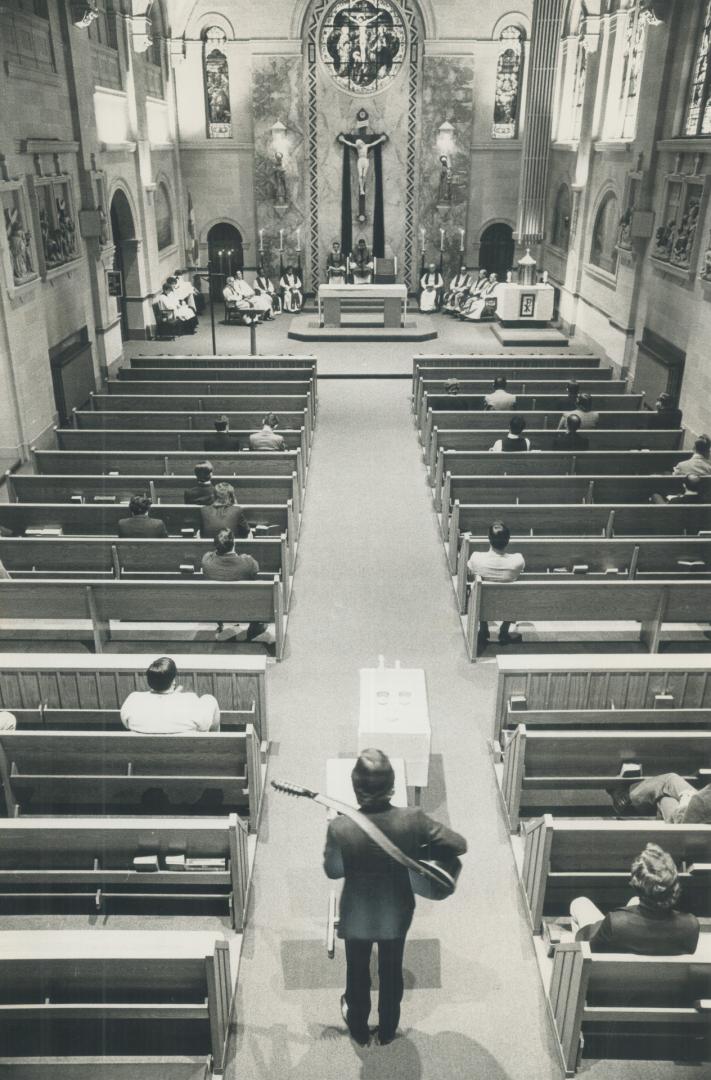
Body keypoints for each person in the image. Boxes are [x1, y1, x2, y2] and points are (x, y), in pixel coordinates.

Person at [323, 749, 467, 1047]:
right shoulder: (412, 819)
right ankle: (388, 1029)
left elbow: (333, 871)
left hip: (357, 916)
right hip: (396, 913)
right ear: (392, 787)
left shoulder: (340, 826)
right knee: (391, 972)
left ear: (355, 787)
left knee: (357, 973)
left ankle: (360, 1030)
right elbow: (459, 843)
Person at [569, 843, 700, 955]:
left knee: (579, 903)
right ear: (674, 885)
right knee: (634, 901)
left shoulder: (614, 923)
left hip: (614, 978)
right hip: (663, 982)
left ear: (637, 883)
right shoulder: (691, 925)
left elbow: (586, 946)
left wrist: (599, 925)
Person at [202, 528, 273, 644]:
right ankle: (253, 630)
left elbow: (211, 555)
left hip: (215, 607)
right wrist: (244, 556)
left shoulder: (206, 560)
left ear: (215, 546)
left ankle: (224, 624)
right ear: (234, 543)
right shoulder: (247, 562)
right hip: (244, 608)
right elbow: (256, 568)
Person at [467, 521, 525, 654]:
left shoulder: (476, 558)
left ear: (489, 539)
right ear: (508, 540)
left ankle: (483, 628)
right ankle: (504, 630)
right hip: (509, 605)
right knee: (514, 594)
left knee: (477, 588)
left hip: (483, 605)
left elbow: (468, 570)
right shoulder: (518, 560)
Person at [120, 656, 220, 733]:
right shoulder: (190, 700)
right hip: (187, 756)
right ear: (173, 681)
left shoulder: (134, 699)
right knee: (209, 699)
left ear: (149, 681)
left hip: (141, 756)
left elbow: (126, 724)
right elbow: (204, 727)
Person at [607, 770, 711, 824]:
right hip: (696, 817)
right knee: (666, 795)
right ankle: (627, 798)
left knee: (670, 780)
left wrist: (686, 802)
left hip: (685, 820)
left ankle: (625, 798)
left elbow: (701, 803)